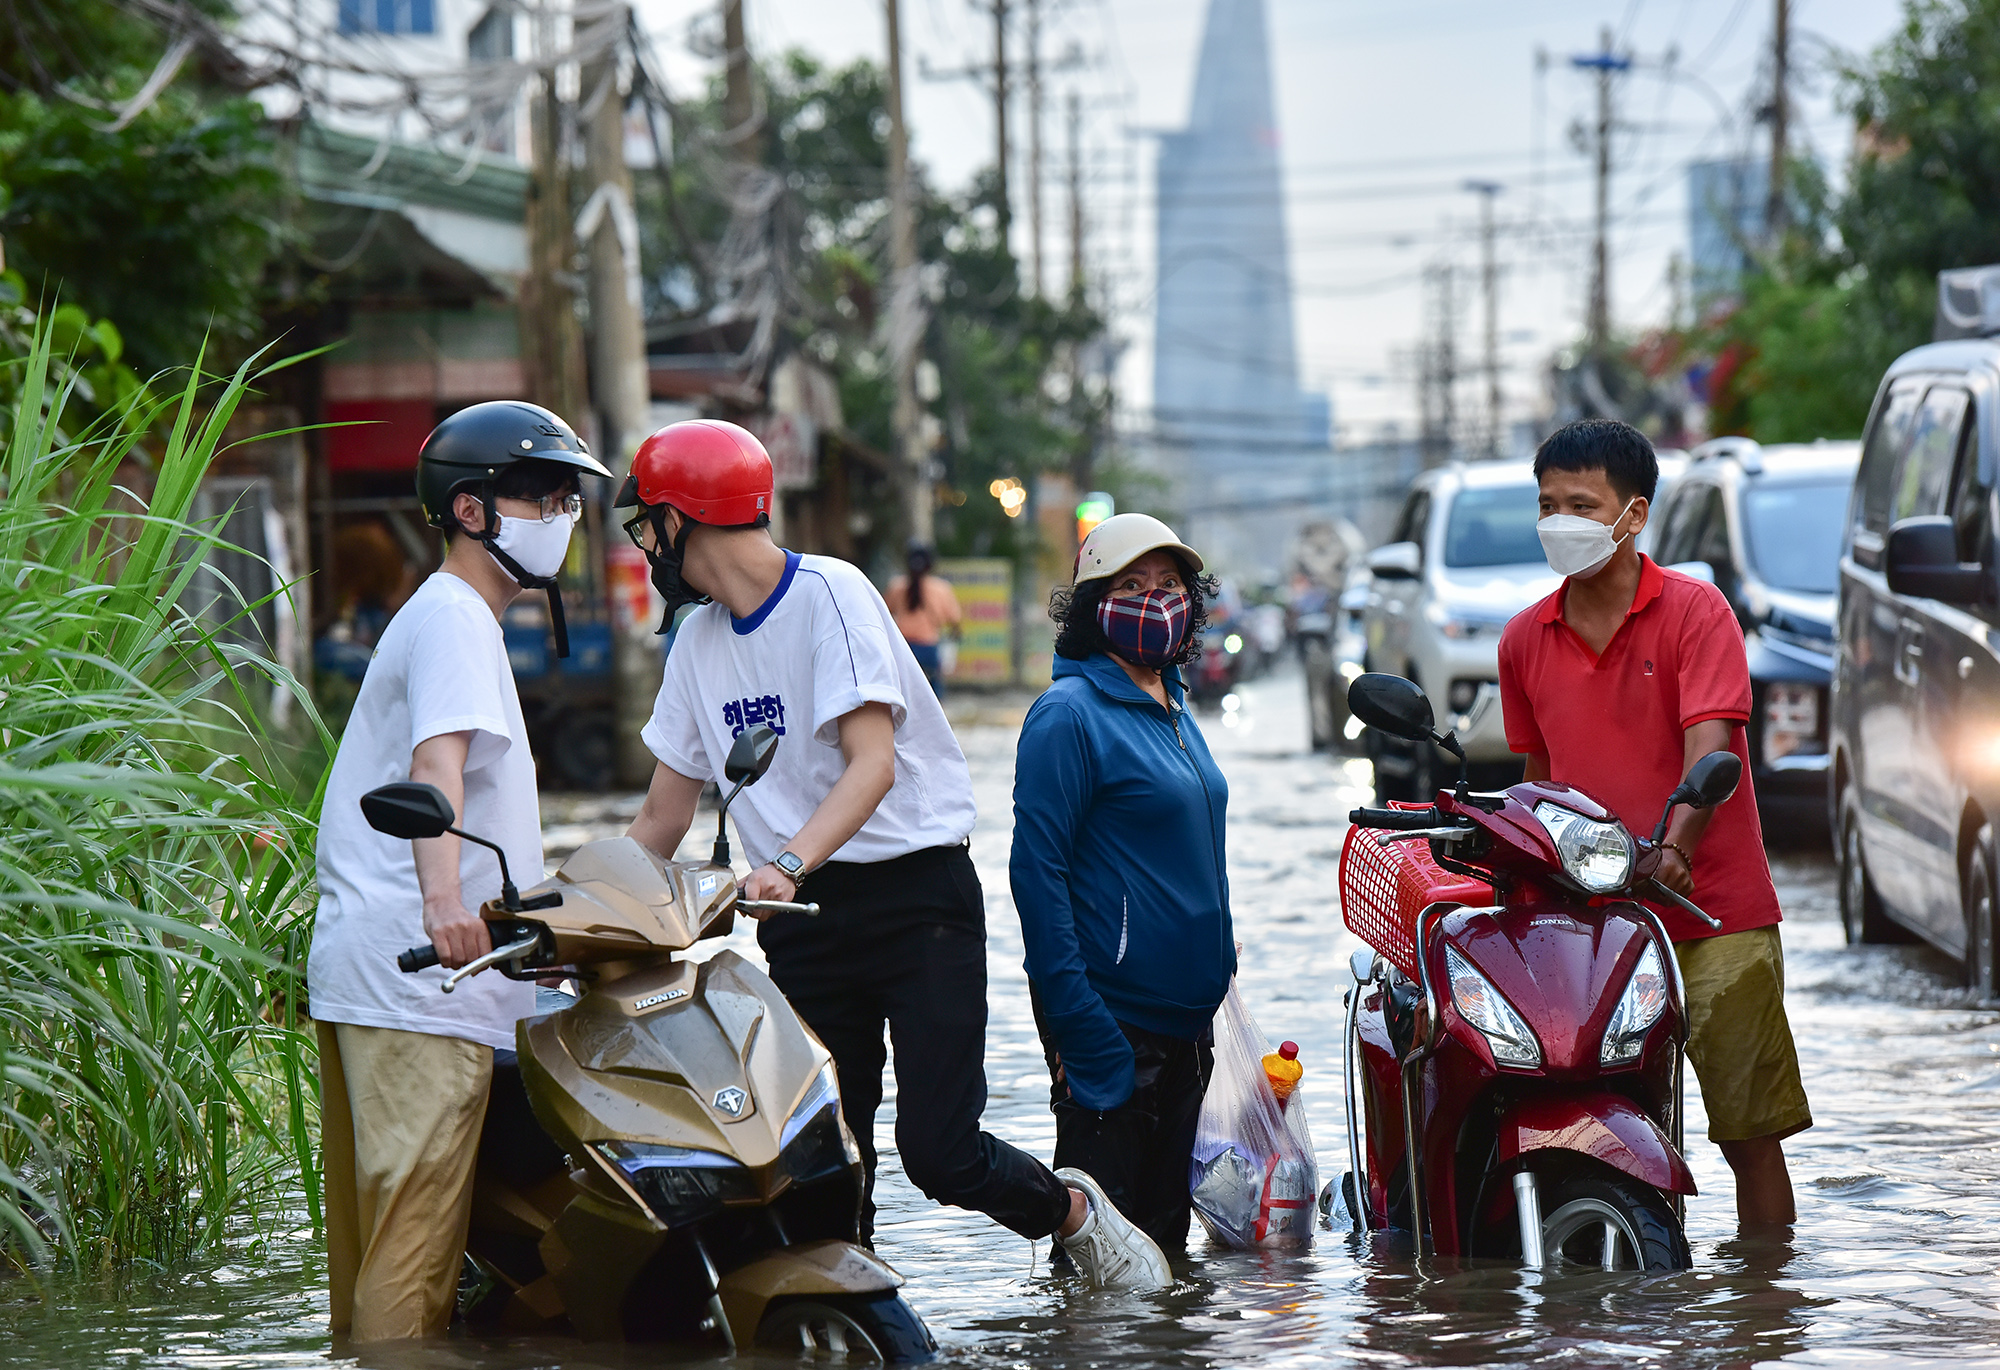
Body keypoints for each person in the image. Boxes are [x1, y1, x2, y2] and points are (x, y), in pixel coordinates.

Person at [616, 418, 1171, 1289]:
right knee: (825, 1159)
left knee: (940, 1155)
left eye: (647, 524)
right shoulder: (695, 644)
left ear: (684, 519)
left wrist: (788, 861)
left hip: (917, 906)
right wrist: (568, 908)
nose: (645, 545)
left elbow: (871, 764)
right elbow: (660, 815)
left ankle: (1076, 1213)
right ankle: (856, 1321)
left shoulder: (830, 594)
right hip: (800, 926)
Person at [308, 401, 612, 1341]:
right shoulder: (454, 620)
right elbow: (434, 775)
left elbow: (474, 804)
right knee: (412, 1257)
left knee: (377, 1250)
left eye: (568, 495)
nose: (563, 511)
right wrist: (447, 909)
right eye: (542, 492)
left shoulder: (451, 617)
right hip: (423, 980)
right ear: (473, 511)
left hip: (392, 977)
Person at [1496, 417, 1811, 1228]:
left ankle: (1762, 1312)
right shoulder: (1523, 640)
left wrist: (1675, 850)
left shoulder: (1697, 614)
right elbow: (1538, 783)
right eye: (1547, 505)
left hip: (1713, 913)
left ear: (1633, 516)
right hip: (1589, 923)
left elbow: (1713, 747)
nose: (1558, 521)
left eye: (1580, 503)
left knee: (1749, 1134)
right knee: (1581, 1118)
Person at [1010, 513, 1236, 1258]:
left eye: (1168, 585)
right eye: (1130, 585)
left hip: (1185, 1027)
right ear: (1091, 605)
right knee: (1104, 1266)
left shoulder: (1173, 705)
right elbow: (1035, 876)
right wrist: (1079, 1023)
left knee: (1165, 1252)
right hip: (1112, 1025)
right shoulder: (1067, 716)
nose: (1153, 598)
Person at [884, 540, 962, 698]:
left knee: (903, 693)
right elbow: (955, 622)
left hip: (903, 649)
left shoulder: (897, 586)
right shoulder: (941, 588)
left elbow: (885, 614)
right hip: (929, 650)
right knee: (933, 696)